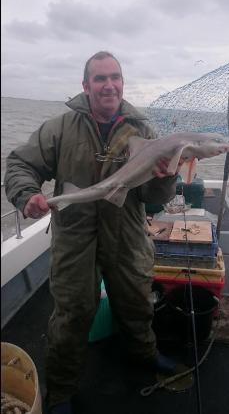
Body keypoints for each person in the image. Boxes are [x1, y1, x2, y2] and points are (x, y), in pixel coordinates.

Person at [5, 51, 180, 414]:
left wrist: (167, 178)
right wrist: (27, 196)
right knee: (72, 313)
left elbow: (153, 200)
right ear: (86, 86)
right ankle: (64, 390)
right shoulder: (60, 128)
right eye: (100, 79)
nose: (109, 85)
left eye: (115, 77)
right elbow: (20, 162)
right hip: (74, 235)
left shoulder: (143, 133)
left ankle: (144, 355)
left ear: (123, 83)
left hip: (127, 235)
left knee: (135, 301)